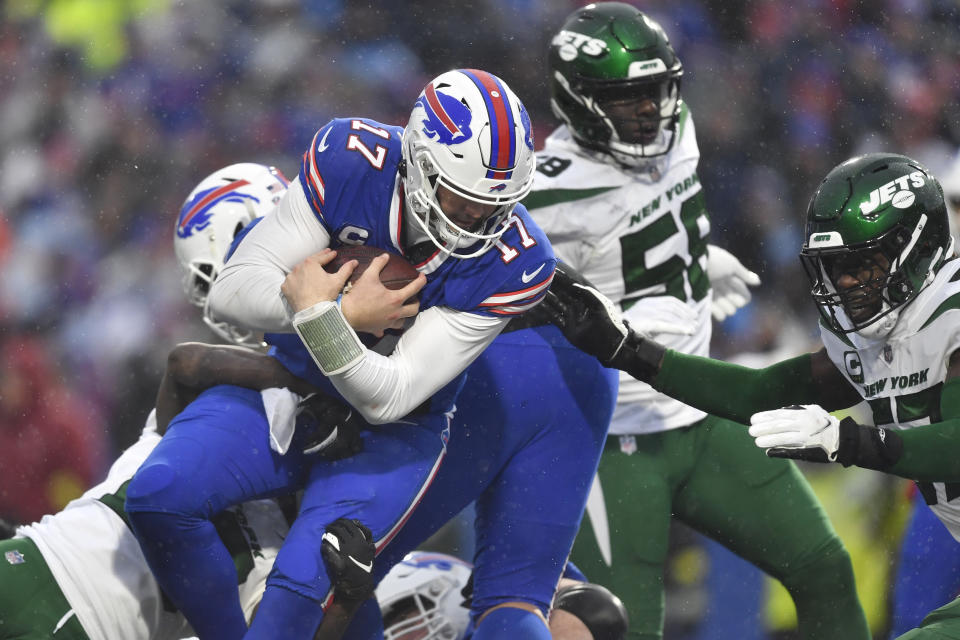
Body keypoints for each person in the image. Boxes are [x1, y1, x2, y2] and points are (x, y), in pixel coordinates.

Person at [126, 69, 560, 640]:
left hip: (395, 438)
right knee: (157, 498)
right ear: (419, 162)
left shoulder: (519, 260)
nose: (478, 221)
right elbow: (234, 291)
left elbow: (393, 396)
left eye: (495, 204)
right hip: (294, 385)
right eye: (464, 198)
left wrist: (324, 314)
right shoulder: (352, 158)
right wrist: (339, 316)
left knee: (290, 606)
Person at [523, 4, 868, 639]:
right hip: (613, 440)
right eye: (627, 99)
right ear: (577, 101)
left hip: (701, 408)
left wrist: (698, 254)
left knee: (823, 567)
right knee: (623, 629)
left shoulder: (677, 127)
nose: (650, 111)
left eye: (656, 91)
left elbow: (647, 219)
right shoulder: (545, 194)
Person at [558, 152, 960, 638]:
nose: (848, 282)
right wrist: (629, 350)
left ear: (917, 247)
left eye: (863, 263)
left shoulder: (950, 313)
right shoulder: (872, 336)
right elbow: (761, 392)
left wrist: (849, 441)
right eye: (836, 266)